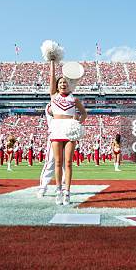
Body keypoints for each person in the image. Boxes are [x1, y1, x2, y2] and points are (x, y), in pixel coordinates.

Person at [48, 59, 87, 205]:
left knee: (68, 162)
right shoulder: (53, 96)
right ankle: (58, 190)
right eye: (60, 83)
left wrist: (78, 123)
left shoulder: (74, 99)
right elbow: (51, 78)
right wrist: (52, 62)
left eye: (65, 83)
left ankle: (67, 193)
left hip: (70, 129)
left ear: (68, 85)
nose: (63, 84)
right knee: (58, 162)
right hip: (57, 128)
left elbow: (84, 114)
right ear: (57, 86)